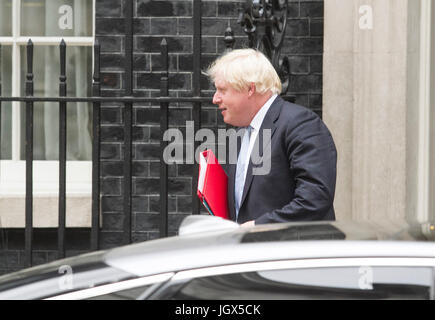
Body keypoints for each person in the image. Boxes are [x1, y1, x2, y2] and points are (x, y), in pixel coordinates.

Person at [207, 48, 337, 227]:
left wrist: (257, 227)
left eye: (222, 90)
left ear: (249, 89)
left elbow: (314, 200)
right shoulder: (239, 135)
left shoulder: (301, 124)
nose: (215, 99)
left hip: (291, 253)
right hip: (250, 252)